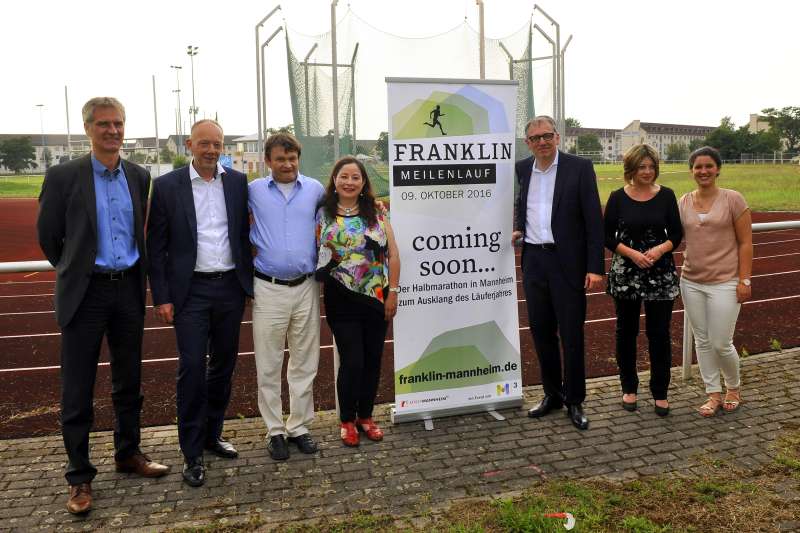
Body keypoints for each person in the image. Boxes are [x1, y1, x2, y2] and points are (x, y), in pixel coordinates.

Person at [37, 97, 169, 515]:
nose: (112, 131)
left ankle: (128, 453)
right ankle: (79, 477)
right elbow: (49, 237)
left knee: (129, 381)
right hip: (86, 293)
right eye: (104, 124)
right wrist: (76, 271)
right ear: (88, 128)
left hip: (128, 288)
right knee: (77, 388)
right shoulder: (63, 176)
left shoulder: (138, 174)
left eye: (118, 124)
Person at [147, 119, 253, 487]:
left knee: (223, 366)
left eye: (217, 144)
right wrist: (161, 296)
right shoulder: (165, 187)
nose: (211, 150)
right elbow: (156, 248)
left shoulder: (238, 183)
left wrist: (248, 285)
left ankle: (212, 435)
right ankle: (191, 453)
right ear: (190, 144)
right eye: (204, 143)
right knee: (192, 369)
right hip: (189, 292)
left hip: (229, 288)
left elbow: (242, 235)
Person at [512, 115, 604, 430]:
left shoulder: (579, 168)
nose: (542, 142)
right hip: (534, 261)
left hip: (568, 264)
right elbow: (524, 206)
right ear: (528, 143)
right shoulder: (523, 169)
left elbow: (594, 219)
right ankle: (552, 394)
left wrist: (594, 266)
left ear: (557, 137)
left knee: (572, 334)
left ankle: (574, 400)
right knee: (541, 332)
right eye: (535, 137)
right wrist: (518, 229)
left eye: (547, 135)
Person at [249, 133, 324, 460]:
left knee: (305, 361)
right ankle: (275, 430)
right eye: (280, 159)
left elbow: (343, 211)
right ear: (268, 161)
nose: (288, 164)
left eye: (292, 158)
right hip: (268, 287)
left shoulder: (315, 189)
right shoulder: (252, 191)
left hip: (306, 286)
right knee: (268, 363)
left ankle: (299, 426)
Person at [316, 156, 400, 446]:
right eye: (344, 176)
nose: (349, 182)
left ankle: (366, 417)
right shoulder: (322, 213)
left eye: (355, 177)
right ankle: (347, 420)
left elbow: (394, 255)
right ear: (335, 180)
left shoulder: (376, 213)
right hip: (341, 298)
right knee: (352, 360)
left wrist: (394, 292)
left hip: (377, 298)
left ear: (364, 183)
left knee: (373, 360)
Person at [604, 144, 682, 417]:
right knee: (626, 333)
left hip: (659, 274)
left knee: (659, 334)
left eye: (651, 167)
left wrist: (660, 249)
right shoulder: (617, 197)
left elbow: (676, 233)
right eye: (642, 167)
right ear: (631, 169)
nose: (647, 172)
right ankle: (629, 388)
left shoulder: (667, 196)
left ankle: (660, 392)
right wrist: (633, 254)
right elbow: (607, 236)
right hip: (627, 273)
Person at [679, 146, 752, 417]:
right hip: (691, 281)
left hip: (725, 281)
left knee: (721, 341)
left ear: (718, 169)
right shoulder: (683, 202)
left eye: (709, 166)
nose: (703, 171)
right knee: (703, 341)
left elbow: (746, 243)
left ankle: (733, 387)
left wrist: (744, 280)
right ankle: (713, 393)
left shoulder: (733, 199)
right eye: (698, 167)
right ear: (691, 171)